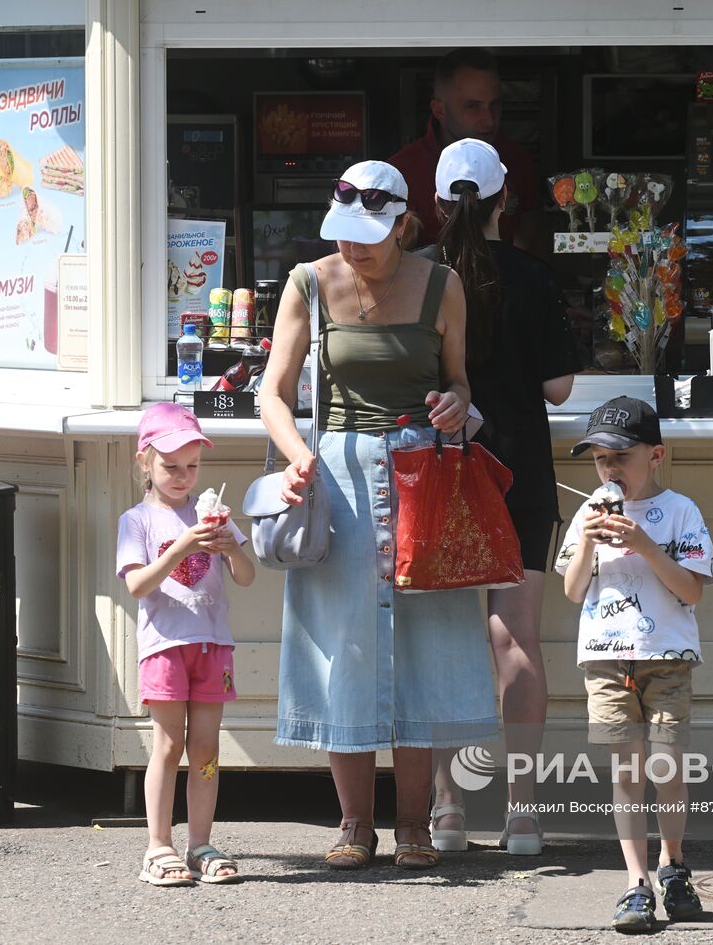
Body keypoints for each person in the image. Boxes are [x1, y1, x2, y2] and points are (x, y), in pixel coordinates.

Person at [258, 160, 499, 871]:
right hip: (337, 471)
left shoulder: (442, 285)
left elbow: (457, 381)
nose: (353, 249)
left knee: (422, 645)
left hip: (423, 471)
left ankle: (415, 825)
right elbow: (272, 393)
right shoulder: (309, 281)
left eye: (368, 234)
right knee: (345, 645)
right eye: (344, 234)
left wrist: (455, 404)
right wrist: (299, 455)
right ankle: (354, 823)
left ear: (403, 223)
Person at [417, 138, 581, 856]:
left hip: (441, 469)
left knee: (450, 641)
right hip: (520, 469)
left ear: (434, 201)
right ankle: (521, 812)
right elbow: (558, 387)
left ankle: (448, 808)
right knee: (517, 640)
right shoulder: (533, 277)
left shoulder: (415, 278)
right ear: (504, 198)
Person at [554, 396, 713, 932]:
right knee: (627, 771)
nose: (609, 468)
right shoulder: (587, 514)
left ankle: (673, 864)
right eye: (600, 458)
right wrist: (587, 547)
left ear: (656, 456)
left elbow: (690, 590)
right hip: (605, 660)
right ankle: (635, 882)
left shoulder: (681, 511)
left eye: (621, 456)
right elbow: (574, 592)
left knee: (666, 766)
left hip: (666, 658)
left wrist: (646, 545)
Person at [116, 402, 256, 887]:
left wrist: (230, 545)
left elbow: (245, 577)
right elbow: (137, 585)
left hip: (212, 644)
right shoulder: (137, 520)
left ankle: (200, 843)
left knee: (207, 747)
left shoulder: (210, 515)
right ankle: (158, 846)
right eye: (171, 467)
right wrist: (181, 547)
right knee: (169, 743)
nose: (182, 477)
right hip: (164, 645)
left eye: (192, 467)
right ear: (145, 463)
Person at [389, 47, 540, 249]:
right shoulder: (400, 174)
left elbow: (534, 246)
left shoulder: (518, 161)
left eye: (495, 104)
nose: (488, 120)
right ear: (439, 110)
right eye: (472, 106)